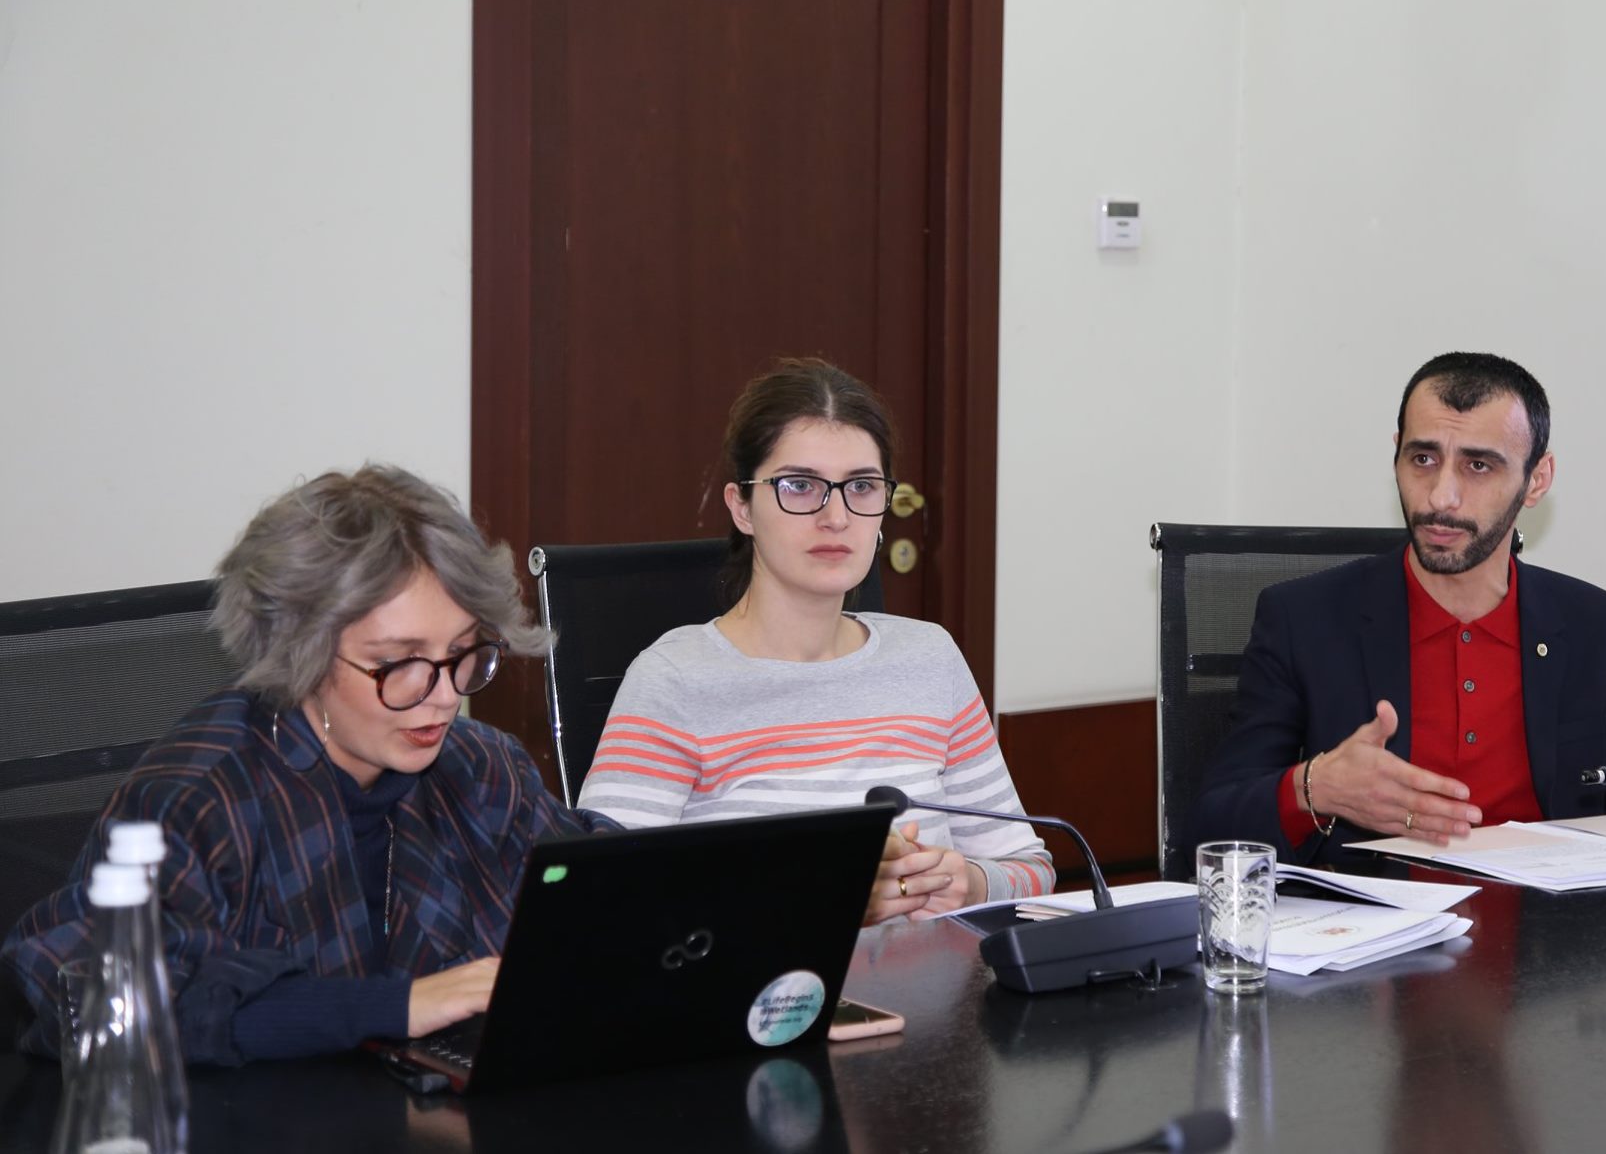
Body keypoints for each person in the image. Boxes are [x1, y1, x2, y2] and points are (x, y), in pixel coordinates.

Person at [2, 466, 615, 1065]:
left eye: (462, 652)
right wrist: (393, 1006)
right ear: (303, 652)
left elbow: (593, 885)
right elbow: (84, 994)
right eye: (399, 662)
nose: (445, 694)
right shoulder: (200, 794)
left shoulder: (479, 768)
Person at [578, 358, 1053, 921]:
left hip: (943, 976)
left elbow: (1031, 867)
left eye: (862, 486)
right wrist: (832, 900)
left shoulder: (930, 657)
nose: (836, 516)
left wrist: (969, 883)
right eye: (800, 486)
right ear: (741, 507)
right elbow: (600, 903)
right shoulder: (675, 680)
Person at [1191, 352, 1606, 862]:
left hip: (1540, 912)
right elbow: (1209, 829)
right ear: (1396, 458)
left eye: (1478, 465)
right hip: (1369, 911)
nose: (1441, 497)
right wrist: (1314, 788)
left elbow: (1595, 833)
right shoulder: (1303, 620)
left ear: (1536, 479)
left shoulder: (1603, 634)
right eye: (1423, 459)